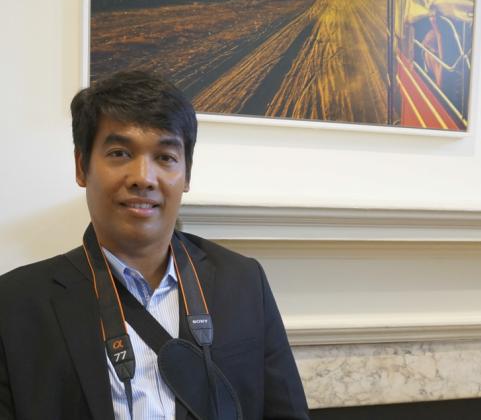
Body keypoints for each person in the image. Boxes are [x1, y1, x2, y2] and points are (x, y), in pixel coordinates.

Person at [0, 71, 309, 420]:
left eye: (165, 157)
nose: (143, 178)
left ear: (186, 175)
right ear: (82, 167)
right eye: (119, 153)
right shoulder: (15, 304)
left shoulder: (243, 281)